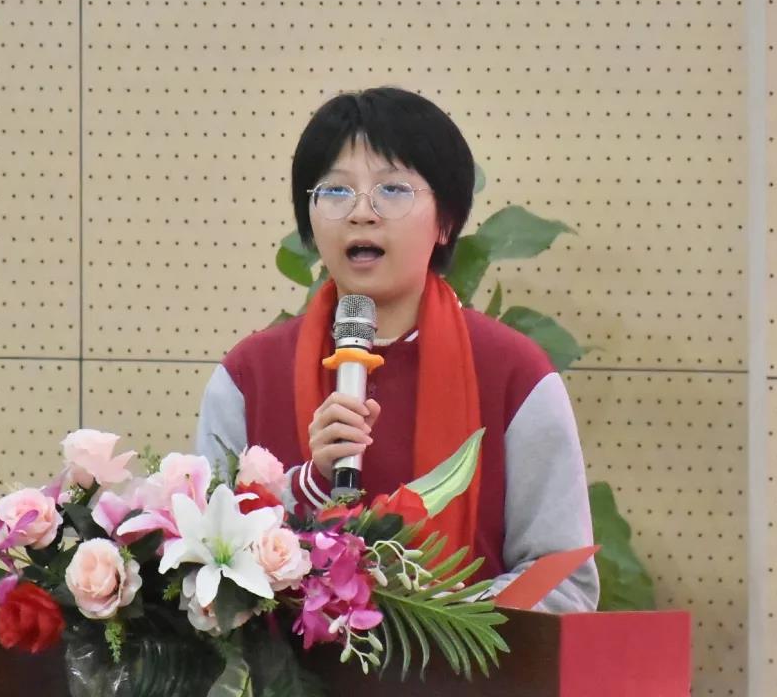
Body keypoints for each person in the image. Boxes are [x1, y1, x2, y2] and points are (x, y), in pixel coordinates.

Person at [195, 86, 599, 612]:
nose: (362, 213)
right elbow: (205, 569)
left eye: (392, 189)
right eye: (335, 191)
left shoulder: (515, 375)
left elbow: (563, 583)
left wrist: (419, 619)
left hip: (463, 663)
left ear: (446, 221)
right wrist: (308, 486)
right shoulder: (249, 377)